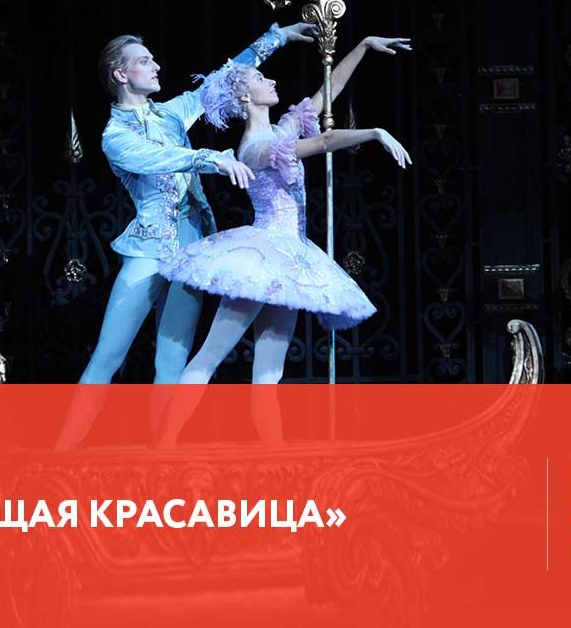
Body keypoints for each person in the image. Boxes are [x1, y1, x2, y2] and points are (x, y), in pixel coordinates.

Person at [55, 22, 317, 450]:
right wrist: (213, 158)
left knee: (173, 357)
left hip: (192, 248)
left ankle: (164, 452)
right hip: (149, 251)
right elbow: (160, 158)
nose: (156, 66)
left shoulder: (172, 113)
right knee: (109, 354)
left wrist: (278, 37)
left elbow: (224, 78)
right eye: (144, 61)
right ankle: (62, 452)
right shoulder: (115, 136)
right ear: (121, 74)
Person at [154, 36, 413, 447]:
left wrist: (362, 47)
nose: (272, 81)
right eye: (261, 78)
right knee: (210, 355)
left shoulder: (279, 131)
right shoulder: (255, 148)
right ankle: (164, 445)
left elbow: (327, 92)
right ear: (245, 96)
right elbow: (324, 141)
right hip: (262, 256)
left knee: (269, 374)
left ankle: (274, 454)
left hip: (291, 257)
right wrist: (376, 132)